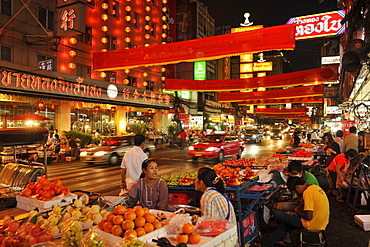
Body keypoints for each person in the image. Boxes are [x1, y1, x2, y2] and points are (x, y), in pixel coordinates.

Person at [262, 176, 329, 247]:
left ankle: (266, 243)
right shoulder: (315, 187)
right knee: (285, 225)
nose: (297, 193)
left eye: (296, 191)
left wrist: (296, 211)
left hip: (311, 224)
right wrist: (295, 213)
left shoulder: (307, 193)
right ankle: (266, 244)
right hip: (322, 222)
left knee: (277, 213)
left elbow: (309, 217)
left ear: (298, 187)